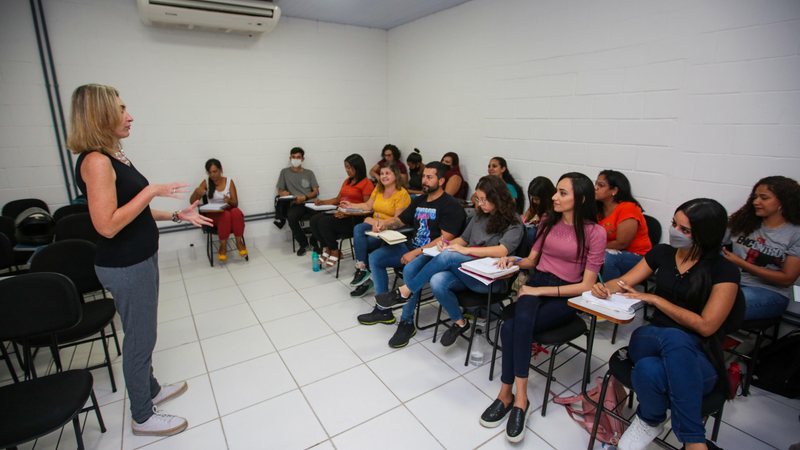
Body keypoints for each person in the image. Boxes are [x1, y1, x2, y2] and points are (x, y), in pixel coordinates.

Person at [69, 84, 212, 436]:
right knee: (139, 337)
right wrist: (150, 190)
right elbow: (107, 225)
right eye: (120, 110)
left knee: (144, 333)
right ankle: (143, 415)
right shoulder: (97, 161)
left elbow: (134, 211)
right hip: (124, 264)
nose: (129, 115)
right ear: (100, 115)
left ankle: (150, 389)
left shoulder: (115, 155)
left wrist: (177, 215)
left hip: (140, 256)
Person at [590, 198, 740, 450]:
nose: (674, 232)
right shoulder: (663, 253)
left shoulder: (724, 270)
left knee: (649, 369)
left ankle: (649, 419)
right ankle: (693, 439)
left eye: (685, 230)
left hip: (698, 353)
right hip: (650, 339)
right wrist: (603, 288)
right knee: (672, 337)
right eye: (674, 224)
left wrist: (656, 299)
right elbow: (626, 281)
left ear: (705, 235)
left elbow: (706, 327)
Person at [479, 172, 605, 443]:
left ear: (580, 199)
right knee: (515, 323)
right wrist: (513, 260)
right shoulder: (548, 221)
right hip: (538, 283)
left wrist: (538, 290)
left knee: (512, 325)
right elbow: (533, 260)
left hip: (566, 295)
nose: (553, 197)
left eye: (562, 193)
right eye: (556, 191)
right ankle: (515, 398)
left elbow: (585, 285)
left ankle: (510, 396)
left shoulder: (596, 233)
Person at [381, 175, 523, 348]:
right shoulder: (480, 216)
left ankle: (406, 290)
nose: (480, 204)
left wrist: (467, 250)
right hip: (468, 270)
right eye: (478, 199)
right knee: (437, 279)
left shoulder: (514, 221)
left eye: (484, 200)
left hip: (490, 279)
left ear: (498, 198)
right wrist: (446, 244)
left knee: (449, 256)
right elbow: (462, 240)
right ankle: (460, 322)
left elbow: (502, 250)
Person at [356, 162, 466, 326]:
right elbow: (401, 220)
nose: (424, 181)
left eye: (429, 177)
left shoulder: (451, 206)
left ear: (441, 181)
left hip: (432, 254)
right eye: (423, 176)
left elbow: (445, 239)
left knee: (409, 270)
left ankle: (406, 322)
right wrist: (384, 224)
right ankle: (383, 310)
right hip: (411, 246)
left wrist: (416, 253)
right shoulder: (420, 200)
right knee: (375, 258)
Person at [725, 176, 800, 320]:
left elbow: (786, 279)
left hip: (769, 292)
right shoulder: (743, 222)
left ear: (783, 201)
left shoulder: (795, 233)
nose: (756, 202)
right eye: (755, 197)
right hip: (731, 283)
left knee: (719, 308)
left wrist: (740, 263)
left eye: (764, 198)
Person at [346, 163, 411, 296]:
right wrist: (351, 205)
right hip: (375, 225)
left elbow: (398, 220)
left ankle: (365, 276)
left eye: (388, 173)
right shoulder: (378, 189)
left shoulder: (402, 194)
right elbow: (368, 205)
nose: (384, 176)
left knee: (365, 244)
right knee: (358, 228)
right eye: (381, 174)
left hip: (388, 228)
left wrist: (374, 222)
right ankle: (362, 268)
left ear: (395, 175)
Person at [309, 154, 374, 267]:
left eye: (349, 167)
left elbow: (367, 208)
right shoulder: (347, 181)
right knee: (314, 220)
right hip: (341, 214)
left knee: (324, 222)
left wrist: (348, 213)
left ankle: (335, 250)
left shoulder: (366, 183)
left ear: (357, 167)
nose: (347, 170)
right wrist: (322, 202)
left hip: (355, 219)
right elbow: (338, 199)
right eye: (346, 167)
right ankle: (327, 248)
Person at [595, 169, 652, 280]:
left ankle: (610, 292)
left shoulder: (628, 208)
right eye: (596, 184)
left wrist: (594, 247)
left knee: (607, 257)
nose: (595, 188)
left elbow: (622, 243)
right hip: (608, 250)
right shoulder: (598, 208)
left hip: (637, 257)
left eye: (601, 185)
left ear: (614, 190)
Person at [189, 158, 247, 262]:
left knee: (236, 212)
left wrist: (229, 200)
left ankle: (239, 242)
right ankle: (223, 246)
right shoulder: (206, 182)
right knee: (226, 215)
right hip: (214, 214)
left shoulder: (229, 181)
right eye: (210, 172)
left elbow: (235, 203)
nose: (212, 175)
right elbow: (192, 202)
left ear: (220, 170)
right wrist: (197, 192)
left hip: (229, 210)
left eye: (215, 171)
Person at [274, 147, 320, 256]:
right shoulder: (284, 172)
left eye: (298, 157)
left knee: (319, 217)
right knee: (291, 217)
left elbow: (316, 191)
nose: (296, 159)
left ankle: (314, 241)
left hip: (309, 202)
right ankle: (303, 243)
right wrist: (283, 193)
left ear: (302, 159)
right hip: (295, 204)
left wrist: (305, 197)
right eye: (293, 157)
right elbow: (280, 190)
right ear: (290, 158)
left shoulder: (309, 173)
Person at [522, 176, 555, 242]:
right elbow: (526, 218)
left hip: (545, 236)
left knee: (531, 234)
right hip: (535, 230)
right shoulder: (535, 204)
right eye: (532, 198)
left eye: (536, 199)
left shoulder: (555, 205)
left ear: (546, 197)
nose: (534, 201)